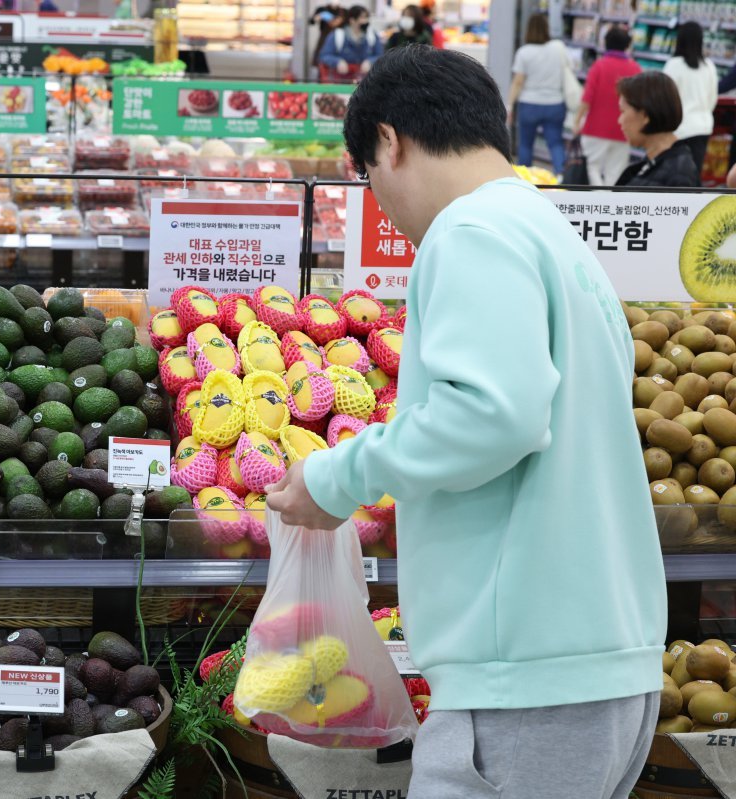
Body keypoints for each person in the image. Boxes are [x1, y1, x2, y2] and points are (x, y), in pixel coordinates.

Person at [266, 46, 665, 799]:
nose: (382, 203)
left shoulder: (469, 231)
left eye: (370, 179)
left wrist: (336, 475)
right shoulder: (547, 233)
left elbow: (492, 413)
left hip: (526, 681)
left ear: (389, 142)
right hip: (599, 662)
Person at [573, 25, 642, 184]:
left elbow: (587, 98)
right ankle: (610, 202)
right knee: (616, 172)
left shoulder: (599, 66)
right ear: (627, 45)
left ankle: (598, 200)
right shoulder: (635, 69)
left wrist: (577, 121)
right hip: (624, 130)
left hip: (595, 128)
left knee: (592, 167)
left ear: (606, 43)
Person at [508, 13, 569, 175]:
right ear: (547, 29)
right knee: (555, 143)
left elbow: (518, 82)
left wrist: (509, 106)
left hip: (529, 104)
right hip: (555, 104)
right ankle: (561, 175)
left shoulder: (524, 52)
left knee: (526, 145)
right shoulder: (558, 48)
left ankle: (525, 178)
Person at [615, 71, 700, 186]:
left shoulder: (677, 176)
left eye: (623, 112)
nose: (619, 120)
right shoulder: (656, 163)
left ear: (645, 116)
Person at [663, 21, 717, 179]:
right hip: (703, 127)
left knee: (675, 178)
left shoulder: (673, 65)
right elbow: (712, 100)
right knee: (693, 176)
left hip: (678, 130)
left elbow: (665, 100)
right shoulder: (709, 66)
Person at [317, 5, 383, 79]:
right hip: (341, 82)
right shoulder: (337, 35)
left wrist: (370, 61)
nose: (366, 21)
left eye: (367, 17)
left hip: (365, 81)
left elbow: (380, 56)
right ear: (352, 20)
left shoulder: (372, 36)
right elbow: (324, 56)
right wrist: (337, 62)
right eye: (362, 18)